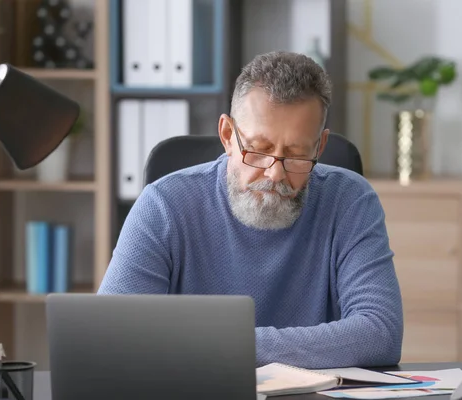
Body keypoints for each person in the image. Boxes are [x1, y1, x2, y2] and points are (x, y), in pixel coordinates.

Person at [98, 51, 403, 369]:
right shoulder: (162, 205)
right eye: (259, 149)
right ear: (228, 136)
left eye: (297, 154)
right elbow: (113, 336)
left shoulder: (350, 200)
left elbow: (380, 334)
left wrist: (222, 345)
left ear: (320, 147)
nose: (275, 174)